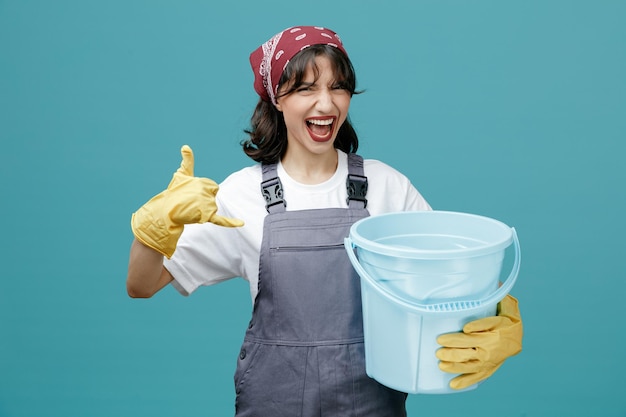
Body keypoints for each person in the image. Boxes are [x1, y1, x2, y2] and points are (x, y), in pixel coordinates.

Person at [127, 26, 523, 417]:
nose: (326, 104)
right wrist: (154, 227)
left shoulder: (387, 186)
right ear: (277, 100)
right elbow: (142, 286)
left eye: (338, 87)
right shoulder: (240, 194)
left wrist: (500, 314)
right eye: (305, 89)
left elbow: (450, 279)